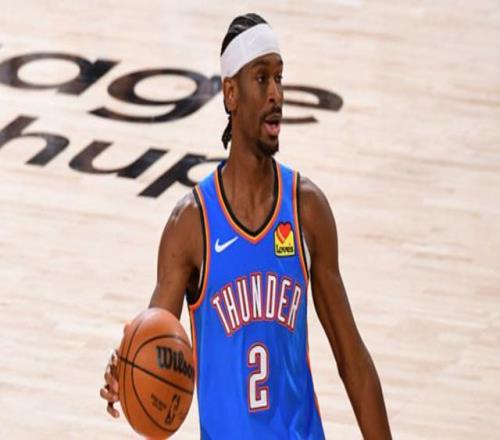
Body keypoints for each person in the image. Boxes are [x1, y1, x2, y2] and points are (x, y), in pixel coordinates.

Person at [100, 13, 392, 439]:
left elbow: (354, 362)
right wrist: (127, 367)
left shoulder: (306, 209)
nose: (276, 94)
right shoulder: (192, 223)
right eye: (261, 78)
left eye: (279, 78)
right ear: (231, 93)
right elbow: (157, 342)